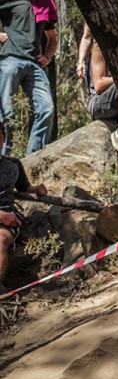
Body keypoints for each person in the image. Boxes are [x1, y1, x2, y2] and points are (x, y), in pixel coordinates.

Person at [0, 0, 58, 156]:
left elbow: (52, 39)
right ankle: (4, 161)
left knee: (47, 110)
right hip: (10, 60)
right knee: (6, 113)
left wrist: (48, 56)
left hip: (35, 63)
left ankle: (31, 161)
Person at [0, 120, 47, 293]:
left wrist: (37, 189)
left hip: (7, 221)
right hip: (2, 216)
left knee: (1, 240)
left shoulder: (13, 165)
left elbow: (24, 187)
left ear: (4, 138)